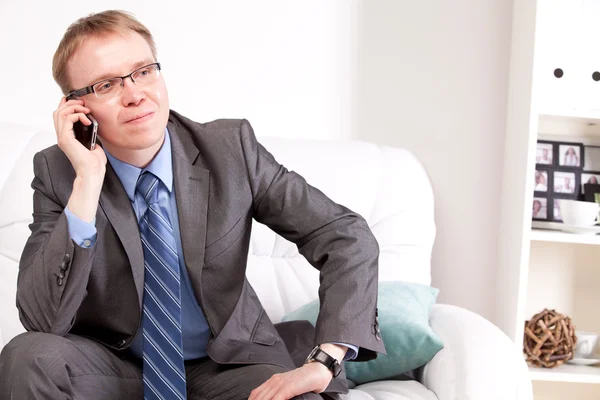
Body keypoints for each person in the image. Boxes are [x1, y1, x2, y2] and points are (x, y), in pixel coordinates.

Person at [0, 10, 385, 400]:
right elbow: (41, 320)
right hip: (118, 369)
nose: (135, 95)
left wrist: (326, 359)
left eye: (144, 72)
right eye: (105, 85)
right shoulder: (58, 172)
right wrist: (86, 180)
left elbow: (344, 235)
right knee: (29, 355)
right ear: (76, 109)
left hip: (228, 365)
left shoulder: (231, 150)